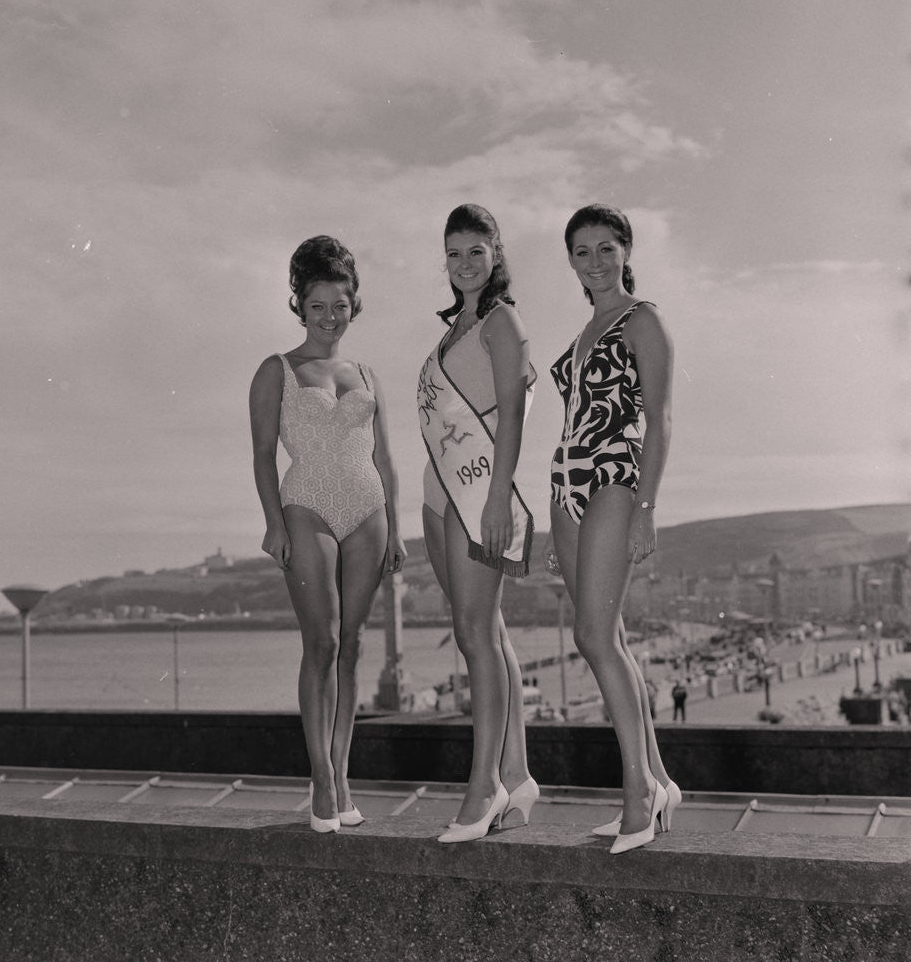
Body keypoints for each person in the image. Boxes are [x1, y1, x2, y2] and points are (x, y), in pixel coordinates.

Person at [249, 235, 407, 833]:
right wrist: (273, 522)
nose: (330, 316)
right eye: (318, 305)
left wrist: (395, 528)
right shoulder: (277, 370)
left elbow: (386, 458)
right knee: (322, 643)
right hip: (307, 507)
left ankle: (343, 775)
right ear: (300, 305)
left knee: (354, 646)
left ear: (353, 304)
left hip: (367, 510)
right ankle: (320, 778)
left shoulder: (366, 372)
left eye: (340, 304)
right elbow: (264, 455)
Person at [545, 203, 680, 855]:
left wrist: (646, 509)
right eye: (582, 250)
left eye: (606, 248)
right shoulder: (585, 330)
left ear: (626, 250)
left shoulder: (641, 320)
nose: (595, 260)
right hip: (564, 488)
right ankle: (657, 779)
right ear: (570, 259)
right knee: (613, 637)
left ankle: (638, 795)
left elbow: (660, 419)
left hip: (614, 480)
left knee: (593, 636)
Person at [418, 204, 539, 844]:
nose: (465, 263)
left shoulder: (501, 321)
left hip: (475, 498)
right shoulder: (452, 330)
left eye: (476, 251)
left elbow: (513, 420)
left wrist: (496, 502)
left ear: (496, 253)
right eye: (454, 252)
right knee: (485, 630)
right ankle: (516, 773)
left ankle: (482, 786)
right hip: (438, 499)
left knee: (474, 636)